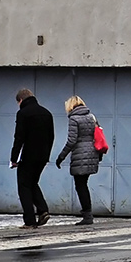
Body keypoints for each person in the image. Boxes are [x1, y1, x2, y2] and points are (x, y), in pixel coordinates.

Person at [10, 87, 55, 229]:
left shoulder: (23, 114)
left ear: (21, 100)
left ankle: (29, 220)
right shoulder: (47, 113)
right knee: (33, 182)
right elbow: (51, 136)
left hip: (28, 156)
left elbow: (19, 137)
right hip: (42, 157)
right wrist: (47, 155)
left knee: (24, 186)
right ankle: (42, 210)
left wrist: (14, 158)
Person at [55, 95, 101, 225]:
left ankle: (87, 215)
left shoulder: (74, 119)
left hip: (80, 155)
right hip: (92, 153)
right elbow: (98, 135)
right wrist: (99, 155)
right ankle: (87, 214)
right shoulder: (92, 117)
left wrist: (61, 156)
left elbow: (72, 141)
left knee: (80, 186)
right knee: (83, 184)